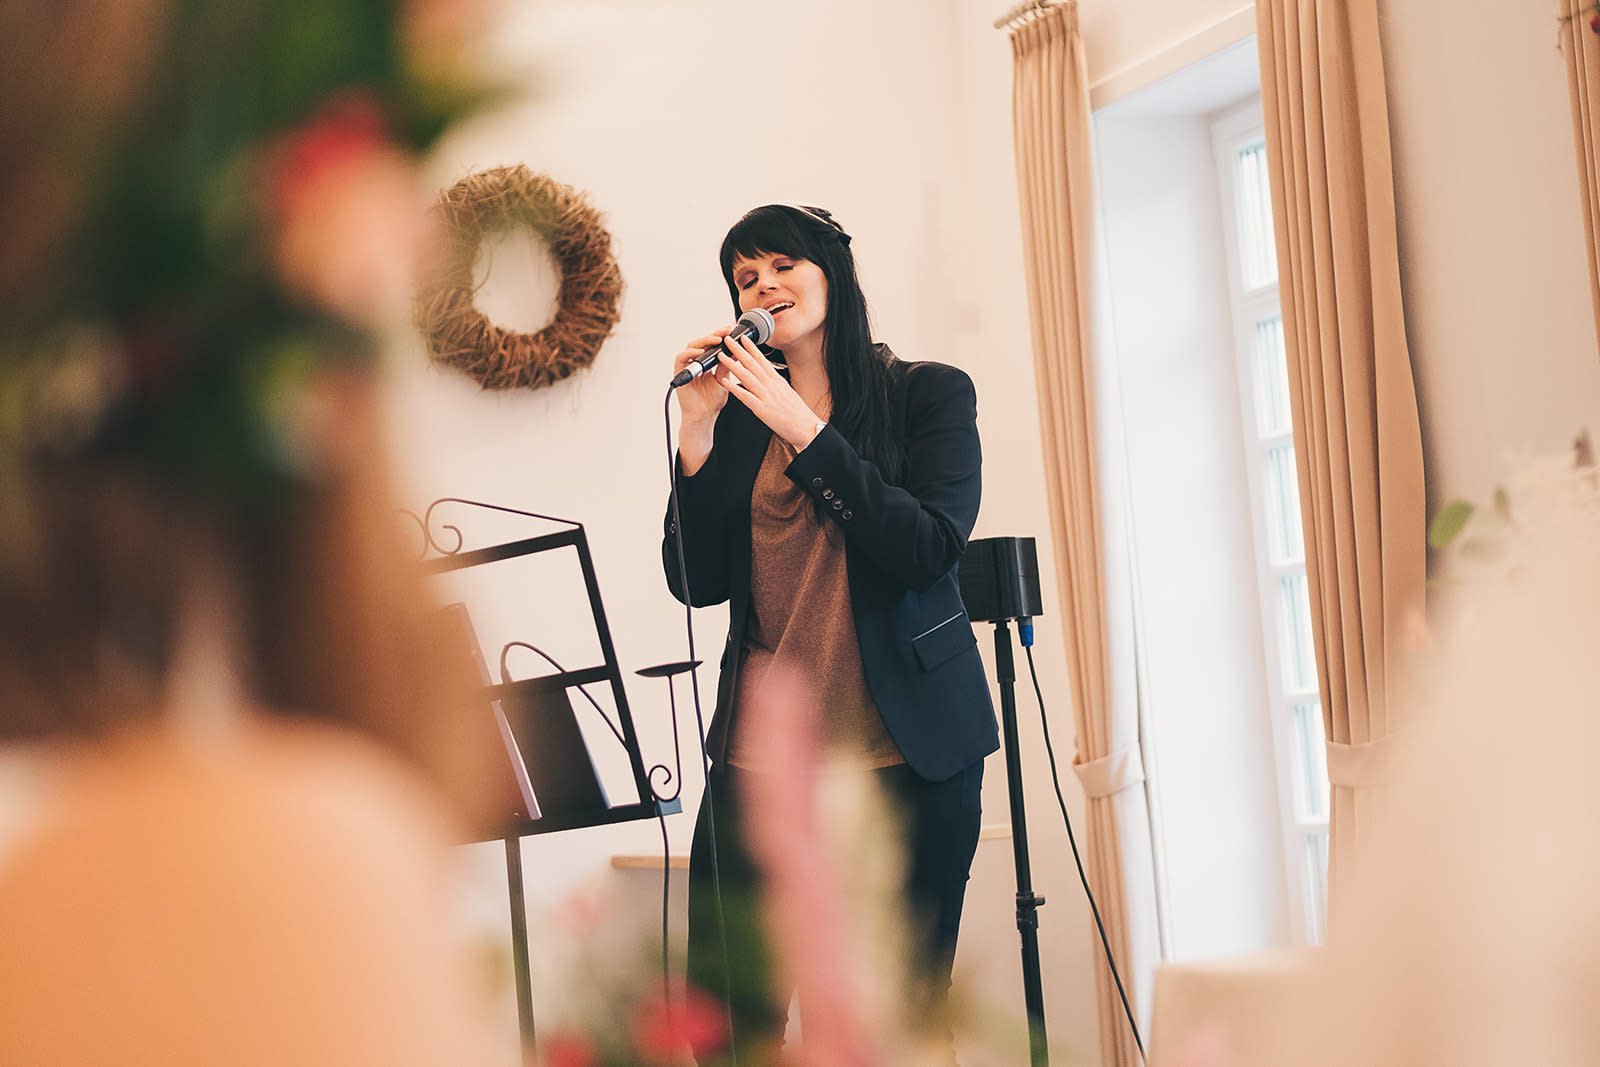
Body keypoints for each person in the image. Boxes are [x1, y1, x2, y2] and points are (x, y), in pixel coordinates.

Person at [662, 203, 1000, 1062]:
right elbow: (696, 582)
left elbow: (928, 548)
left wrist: (803, 429)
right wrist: (697, 432)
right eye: (746, 277)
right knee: (725, 1021)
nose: (764, 286)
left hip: (902, 761)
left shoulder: (929, 394)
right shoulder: (738, 418)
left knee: (881, 1027)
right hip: (759, 769)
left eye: (783, 264)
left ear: (832, 274)